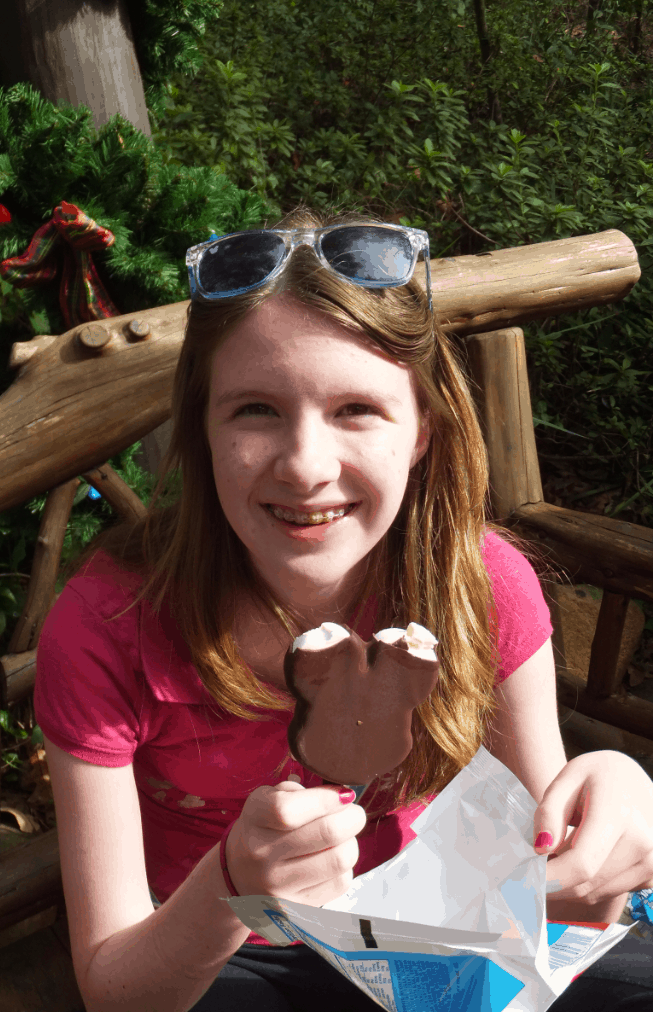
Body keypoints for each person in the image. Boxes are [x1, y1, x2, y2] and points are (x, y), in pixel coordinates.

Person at [34, 210, 653, 1012]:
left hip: (435, 930)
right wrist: (232, 881)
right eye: (255, 410)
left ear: (423, 429)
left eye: (356, 409)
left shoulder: (481, 585)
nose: (305, 466)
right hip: (224, 953)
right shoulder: (109, 626)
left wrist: (616, 809)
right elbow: (116, 990)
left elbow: (552, 888)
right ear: (203, 428)